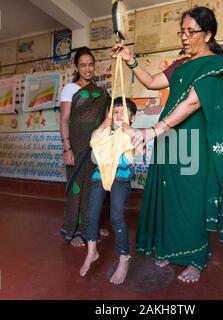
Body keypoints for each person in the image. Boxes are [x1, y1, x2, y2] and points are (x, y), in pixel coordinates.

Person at [113, 7, 223, 283]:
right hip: (170, 140)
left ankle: (196, 260)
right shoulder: (182, 64)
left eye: (191, 32)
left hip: (193, 144)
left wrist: (152, 130)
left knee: (191, 202)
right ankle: (170, 250)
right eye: (182, 31)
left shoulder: (214, 65)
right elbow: (152, 82)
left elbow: (193, 102)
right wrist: (130, 59)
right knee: (169, 198)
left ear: (208, 34)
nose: (184, 37)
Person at [80, 97, 140, 285]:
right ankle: (92, 252)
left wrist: (126, 126)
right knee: (91, 215)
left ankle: (124, 258)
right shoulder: (105, 134)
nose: (118, 115)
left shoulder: (130, 133)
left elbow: (138, 138)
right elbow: (93, 144)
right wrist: (102, 126)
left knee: (116, 217)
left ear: (132, 117)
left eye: (123, 112)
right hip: (101, 176)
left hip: (120, 179)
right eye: (115, 112)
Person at [60, 47, 110, 247]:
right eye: (83, 65)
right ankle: (74, 232)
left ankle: (91, 227)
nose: (87, 69)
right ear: (76, 67)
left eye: (90, 64)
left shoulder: (101, 92)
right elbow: (64, 120)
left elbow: (106, 122)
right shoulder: (70, 89)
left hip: (95, 148)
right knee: (76, 190)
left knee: (94, 189)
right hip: (76, 147)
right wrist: (67, 148)